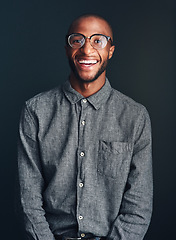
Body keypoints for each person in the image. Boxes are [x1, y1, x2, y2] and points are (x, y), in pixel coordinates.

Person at [17, 14, 153, 240]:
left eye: (97, 40)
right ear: (67, 48)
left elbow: (138, 207)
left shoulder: (135, 117)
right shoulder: (35, 111)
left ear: (110, 50)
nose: (87, 49)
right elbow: (27, 200)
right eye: (77, 40)